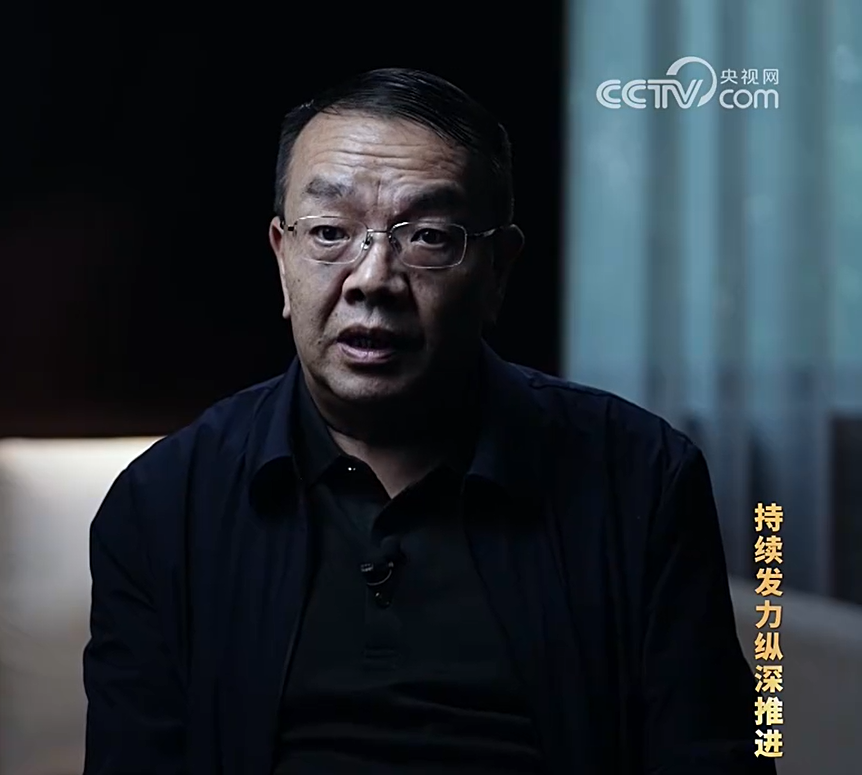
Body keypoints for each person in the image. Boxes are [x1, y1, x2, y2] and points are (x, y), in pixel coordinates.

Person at [82, 68, 770, 775]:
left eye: (429, 237)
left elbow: (723, 751)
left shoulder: (642, 476)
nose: (372, 278)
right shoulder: (164, 503)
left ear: (497, 271)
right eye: (330, 232)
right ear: (281, 258)